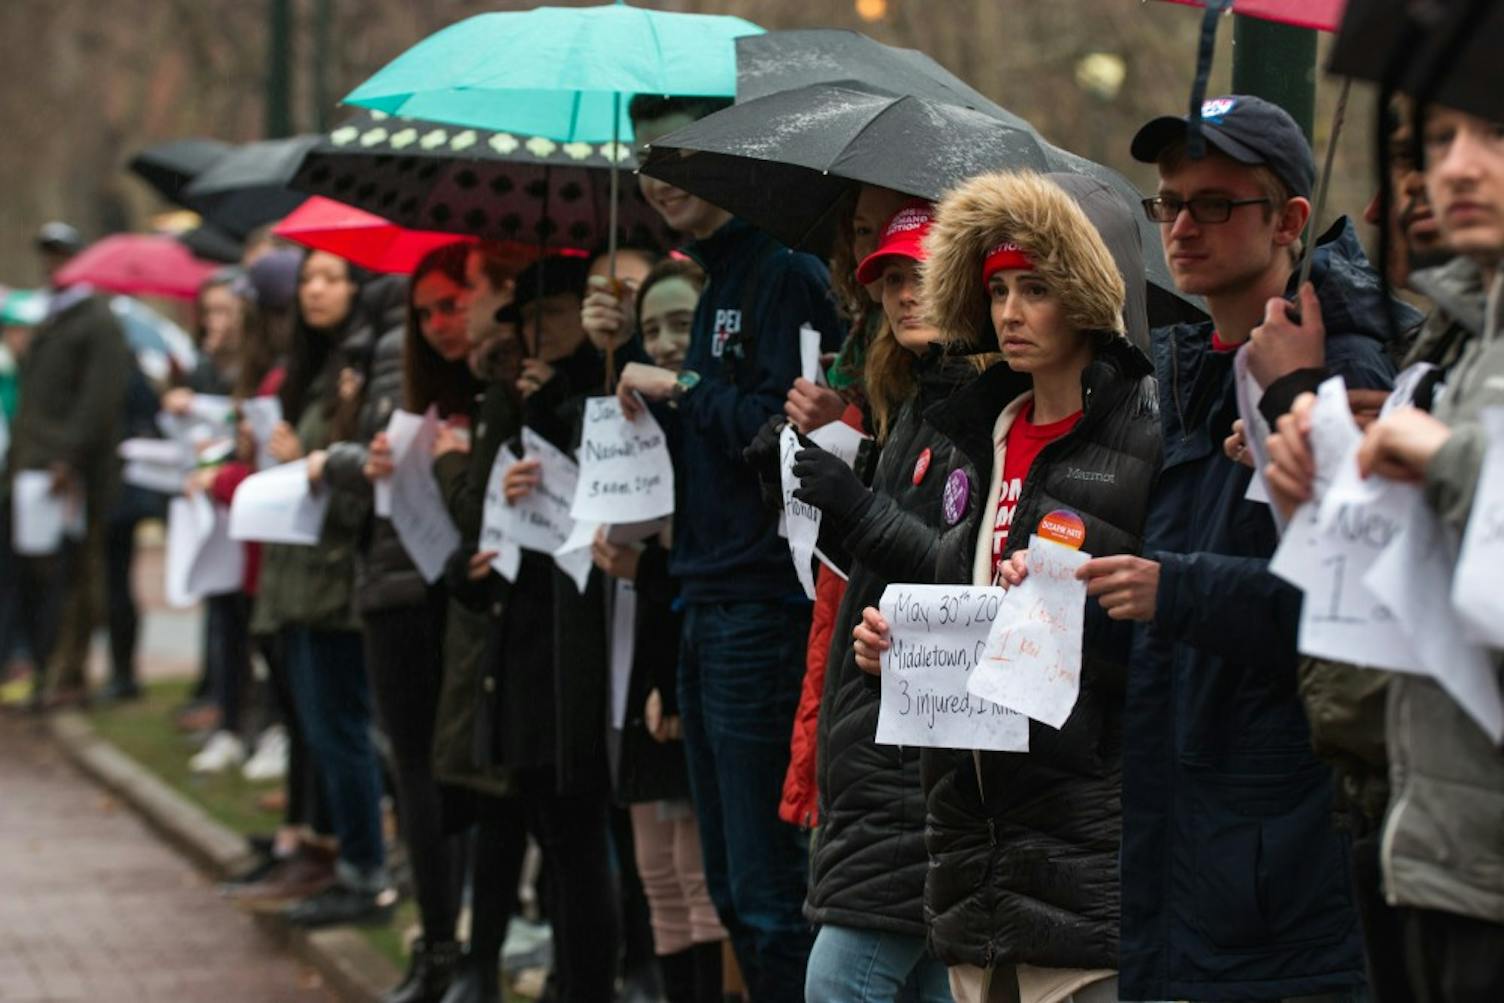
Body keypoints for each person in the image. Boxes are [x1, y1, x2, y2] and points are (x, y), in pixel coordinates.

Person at [1107, 95, 1400, 1001]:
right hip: (1191, 858)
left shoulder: (1345, 374)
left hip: (1289, 878)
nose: (1181, 227)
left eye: (1215, 203)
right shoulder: (1189, 369)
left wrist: (1173, 587)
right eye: (1169, 203)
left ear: (1289, 220)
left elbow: (1350, 606)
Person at [851, 172, 1162, 1003]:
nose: (1011, 312)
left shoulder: (1149, 433)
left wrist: (1066, 616)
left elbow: (1165, 642)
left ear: (1087, 295)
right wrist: (896, 653)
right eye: (996, 291)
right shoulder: (980, 435)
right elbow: (967, 621)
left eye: (1036, 288)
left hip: (1085, 852)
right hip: (974, 851)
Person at [607, 93, 845, 1001]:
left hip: (763, 602)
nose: (659, 179)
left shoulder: (785, 271)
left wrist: (682, 385)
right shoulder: (708, 281)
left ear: (731, 154)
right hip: (701, 596)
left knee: (768, 890)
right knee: (730, 890)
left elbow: (786, 437)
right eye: (646, 161)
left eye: (677, 155)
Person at [1264, 102, 1504, 1003]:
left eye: (1492, 135)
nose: (1450, 172)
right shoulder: (1461, 336)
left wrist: (1445, 458)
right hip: (1426, 832)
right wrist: (1321, 502)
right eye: (1435, 145)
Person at [777, 198, 981, 1002]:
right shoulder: (916, 402)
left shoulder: (982, 411)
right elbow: (897, 551)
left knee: (838, 981)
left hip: (915, 766)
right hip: (880, 757)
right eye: (890, 278)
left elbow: (960, 575)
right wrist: (816, 483)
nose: (903, 293)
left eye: (921, 273)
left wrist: (857, 505)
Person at [322, 242, 474, 1002]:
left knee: (462, 774)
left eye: (452, 306)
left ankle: (465, 949)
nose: (440, 323)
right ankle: (440, 943)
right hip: (399, 580)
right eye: (426, 312)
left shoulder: (500, 370)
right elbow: (351, 458)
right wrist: (367, 454)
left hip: (462, 588)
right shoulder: (397, 365)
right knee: (416, 769)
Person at [590, 257, 729, 1003]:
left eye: (684, 322)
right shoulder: (640, 425)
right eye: (653, 329)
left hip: (683, 664)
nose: (669, 341)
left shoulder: (714, 423)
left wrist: (642, 568)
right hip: (641, 664)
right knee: (656, 871)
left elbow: (687, 564)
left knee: (696, 873)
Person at [251, 249, 393, 929]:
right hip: (299, 580)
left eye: (331, 278)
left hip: (338, 584)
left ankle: (366, 870)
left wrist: (302, 462)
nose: (315, 290)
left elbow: (357, 492)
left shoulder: (361, 373)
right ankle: (344, 859)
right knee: (324, 731)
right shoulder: (313, 373)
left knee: (345, 733)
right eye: (308, 278)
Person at [779, 183, 912, 834]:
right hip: (839, 582)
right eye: (861, 230)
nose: (874, 246)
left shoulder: (922, 354)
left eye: (893, 226)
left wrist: (849, 425)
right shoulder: (860, 337)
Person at [9, 236, 132, 711]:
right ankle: (47, 669)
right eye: (48, 256)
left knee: (78, 572)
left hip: (74, 472)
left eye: (61, 256)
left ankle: (69, 673)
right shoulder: (51, 315)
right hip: (37, 464)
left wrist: (69, 457)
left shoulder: (97, 321)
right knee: (41, 573)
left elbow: (99, 398)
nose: (52, 265)